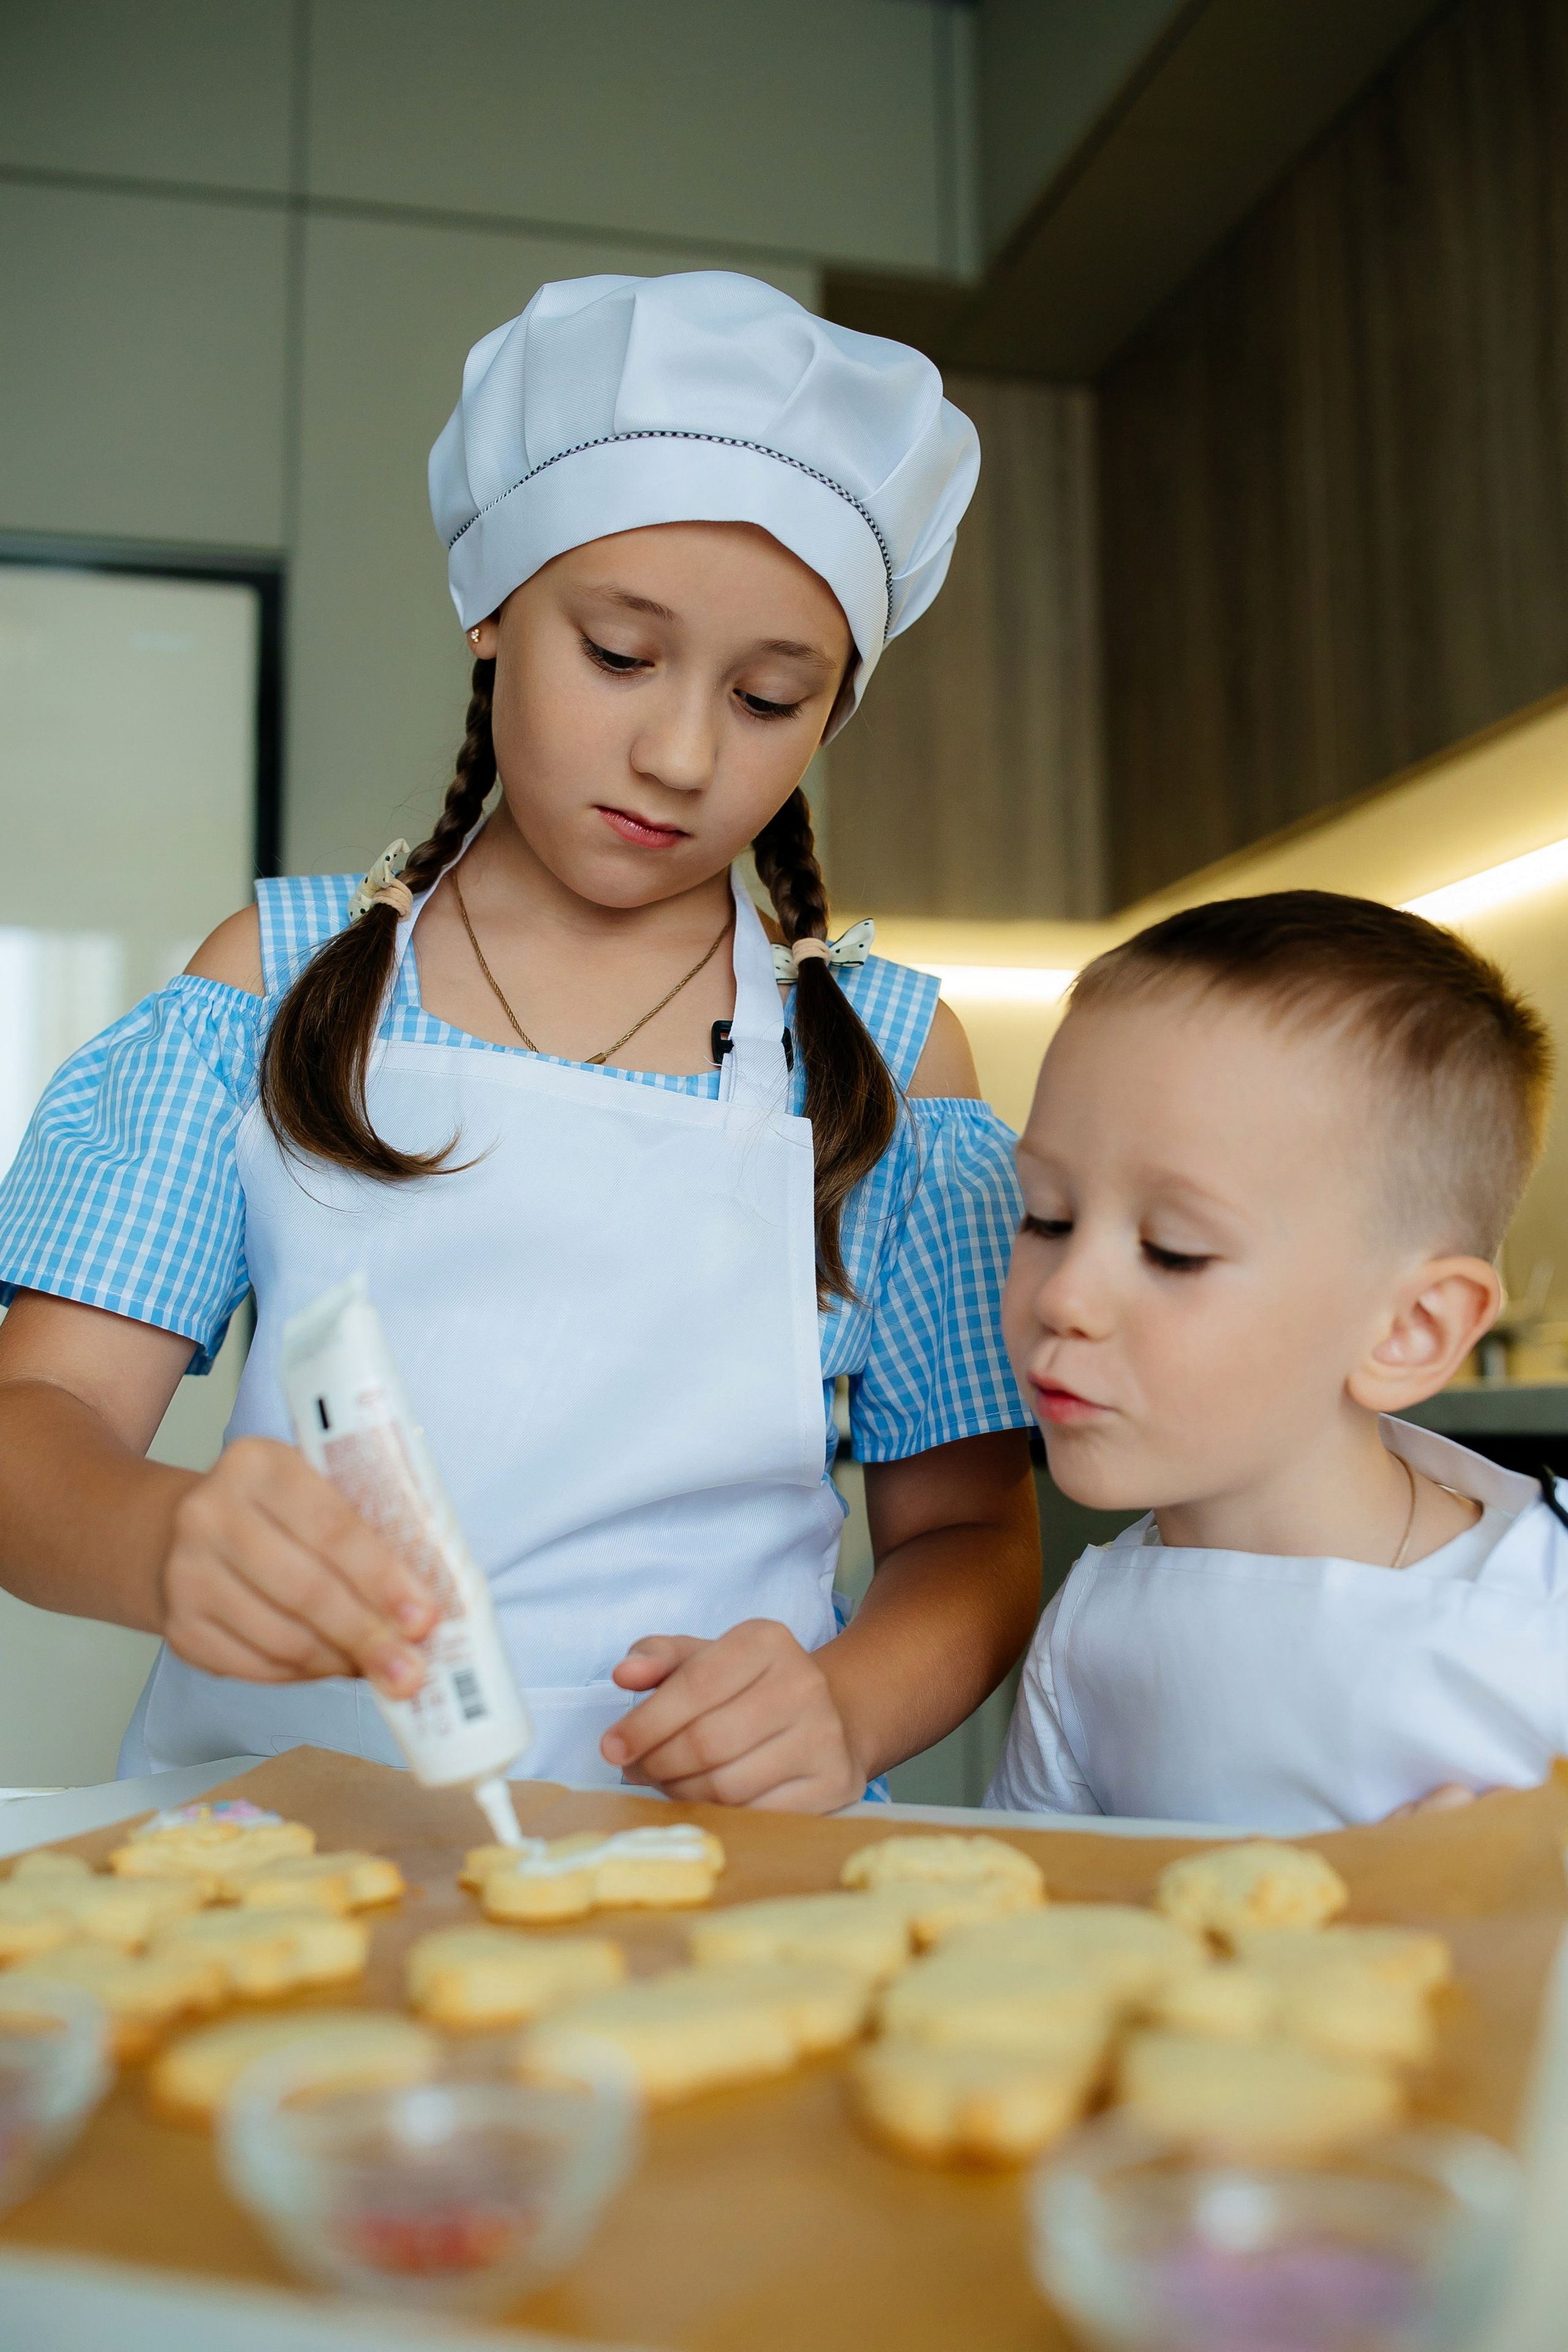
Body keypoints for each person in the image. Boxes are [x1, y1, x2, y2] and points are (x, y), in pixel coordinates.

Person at [0, 271, 1040, 1810]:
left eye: (768, 698)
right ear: (490, 608)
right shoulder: (273, 986)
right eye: (619, 655)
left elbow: (967, 1540)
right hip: (281, 1842)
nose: (681, 754)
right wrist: (164, 1542)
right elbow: (43, 1425)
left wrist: (842, 1708)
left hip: (710, 1872)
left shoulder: (888, 1062)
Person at [987, 888, 1563, 1832]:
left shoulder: (1543, 1619)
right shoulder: (1089, 1629)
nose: (1062, 1296)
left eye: (1174, 1249)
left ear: (1409, 1328)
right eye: (1047, 1216)